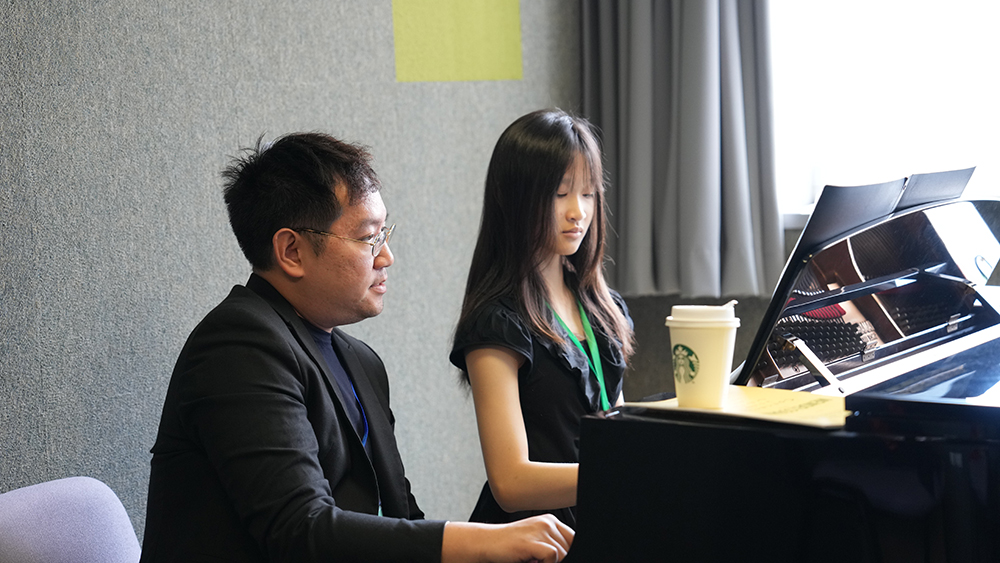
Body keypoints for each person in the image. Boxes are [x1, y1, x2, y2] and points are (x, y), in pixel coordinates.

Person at [140, 132, 574, 563]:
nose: (386, 257)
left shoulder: (362, 362)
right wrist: (485, 541)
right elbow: (300, 530)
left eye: (385, 233)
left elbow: (402, 517)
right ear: (292, 251)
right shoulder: (238, 345)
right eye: (369, 238)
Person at [450, 109, 635, 528]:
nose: (578, 212)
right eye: (560, 193)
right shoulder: (496, 323)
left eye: (588, 194)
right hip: (530, 539)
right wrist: (627, 471)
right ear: (515, 198)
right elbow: (510, 482)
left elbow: (616, 429)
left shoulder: (604, 308)